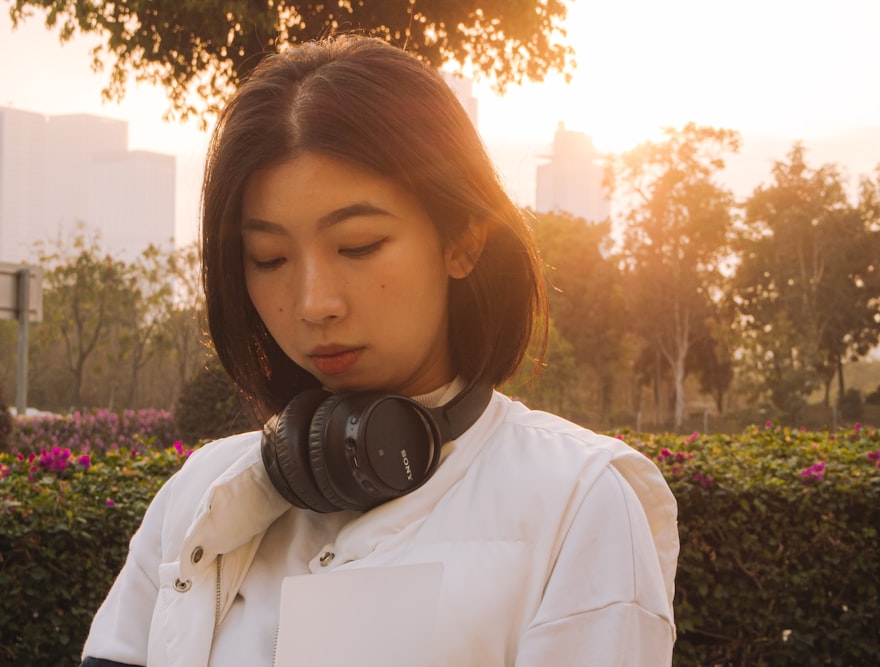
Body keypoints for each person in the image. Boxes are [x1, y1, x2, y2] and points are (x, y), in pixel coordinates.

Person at [80, 34, 678, 667]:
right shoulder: (201, 495)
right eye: (270, 258)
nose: (313, 302)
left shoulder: (578, 501)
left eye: (359, 245)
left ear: (462, 241)